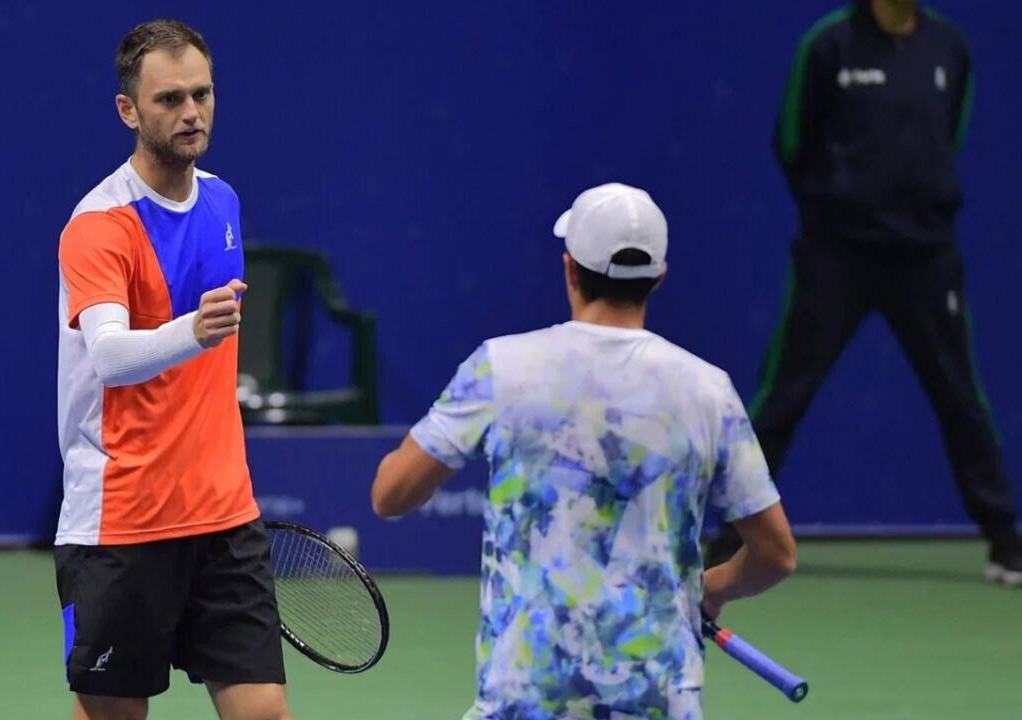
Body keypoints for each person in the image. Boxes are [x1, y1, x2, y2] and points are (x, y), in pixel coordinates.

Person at [372, 183, 797, 719]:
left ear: (569, 268)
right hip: (660, 700)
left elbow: (391, 494)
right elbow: (776, 555)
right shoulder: (710, 391)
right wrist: (709, 588)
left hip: (524, 697)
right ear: (659, 278)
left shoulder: (501, 367)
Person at [709, 0, 1022, 585]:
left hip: (926, 258)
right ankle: (727, 537)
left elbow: (948, 135)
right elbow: (793, 142)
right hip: (837, 257)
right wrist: (841, 206)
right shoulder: (827, 45)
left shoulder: (950, 47)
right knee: (783, 396)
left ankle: (1005, 539)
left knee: (960, 395)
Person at [53, 19, 291, 720]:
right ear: (128, 110)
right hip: (121, 524)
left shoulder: (223, 200)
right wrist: (193, 330)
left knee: (264, 713)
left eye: (202, 94)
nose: (191, 112)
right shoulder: (98, 224)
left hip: (225, 514)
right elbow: (109, 356)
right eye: (169, 99)